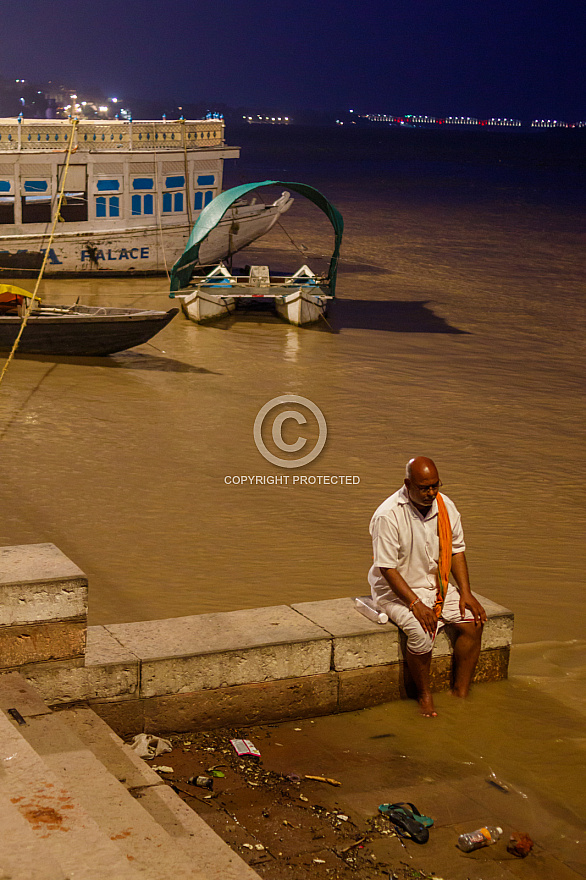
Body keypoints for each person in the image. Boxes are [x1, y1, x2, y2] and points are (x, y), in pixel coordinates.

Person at [368, 456, 487, 716]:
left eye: (435, 486)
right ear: (408, 484)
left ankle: (461, 693)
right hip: (395, 591)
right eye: (424, 488)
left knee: (473, 623)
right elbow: (387, 568)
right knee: (421, 635)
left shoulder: (446, 507)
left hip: (435, 584)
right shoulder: (388, 515)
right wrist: (415, 604)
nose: (431, 493)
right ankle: (424, 695)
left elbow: (456, 550)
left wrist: (466, 592)